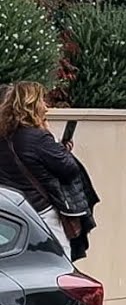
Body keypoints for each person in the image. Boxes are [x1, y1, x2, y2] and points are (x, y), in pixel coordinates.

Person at [0, 82, 81, 256]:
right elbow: (70, 170)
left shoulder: (3, 137)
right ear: (32, 105)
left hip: (10, 215)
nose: (46, 106)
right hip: (41, 213)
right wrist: (59, 146)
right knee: (59, 263)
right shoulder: (38, 137)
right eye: (42, 101)